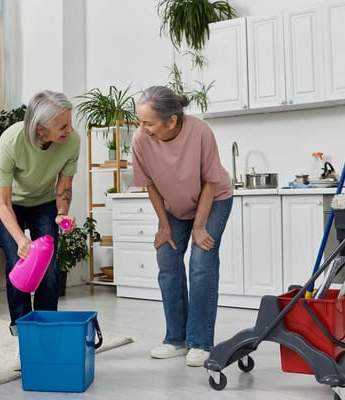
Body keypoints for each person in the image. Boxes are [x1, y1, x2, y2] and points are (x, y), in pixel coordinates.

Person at [131, 85, 233, 367]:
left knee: (201, 260)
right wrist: (163, 226)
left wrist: (200, 227)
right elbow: (149, 184)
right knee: (167, 256)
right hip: (174, 206)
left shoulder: (199, 132)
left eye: (148, 123)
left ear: (172, 120)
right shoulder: (141, 140)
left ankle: (200, 342)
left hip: (213, 199)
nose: (142, 129)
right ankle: (176, 339)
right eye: (140, 121)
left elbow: (211, 181)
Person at [0, 90, 79, 370]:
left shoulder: (71, 141)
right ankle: (22, 337)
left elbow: (63, 188)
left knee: (49, 270)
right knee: (20, 264)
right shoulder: (12, 140)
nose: (70, 129)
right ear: (40, 129)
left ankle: (46, 335)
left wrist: (61, 215)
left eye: (69, 122)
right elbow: (2, 201)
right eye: (62, 126)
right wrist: (19, 239)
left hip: (43, 203)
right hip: (8, 203)